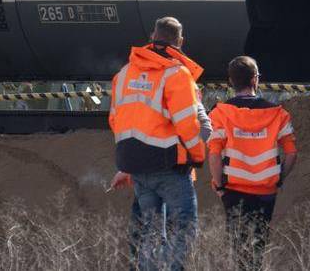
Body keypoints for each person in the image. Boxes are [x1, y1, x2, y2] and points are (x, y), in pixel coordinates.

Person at [111, 17, 211, 271]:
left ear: (152, 36)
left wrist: (128, 162)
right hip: (169, 167)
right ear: (180, 41)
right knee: (184, 228)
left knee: (152, 233)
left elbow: (116, 119)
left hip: (136, 167)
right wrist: (198, 156)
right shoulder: (176, 74)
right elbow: (188, 125)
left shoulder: (124, 73)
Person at [205, 56, 296, 271]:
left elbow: (214, 155)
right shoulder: (278, 114)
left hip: (233, 190)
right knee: (258, 245)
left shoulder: (220, 113)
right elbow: (291, 154)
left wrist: (219, 185)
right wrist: (278, 178)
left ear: (231, 81)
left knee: (238, 246)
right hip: (266, 191)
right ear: (255, 80)